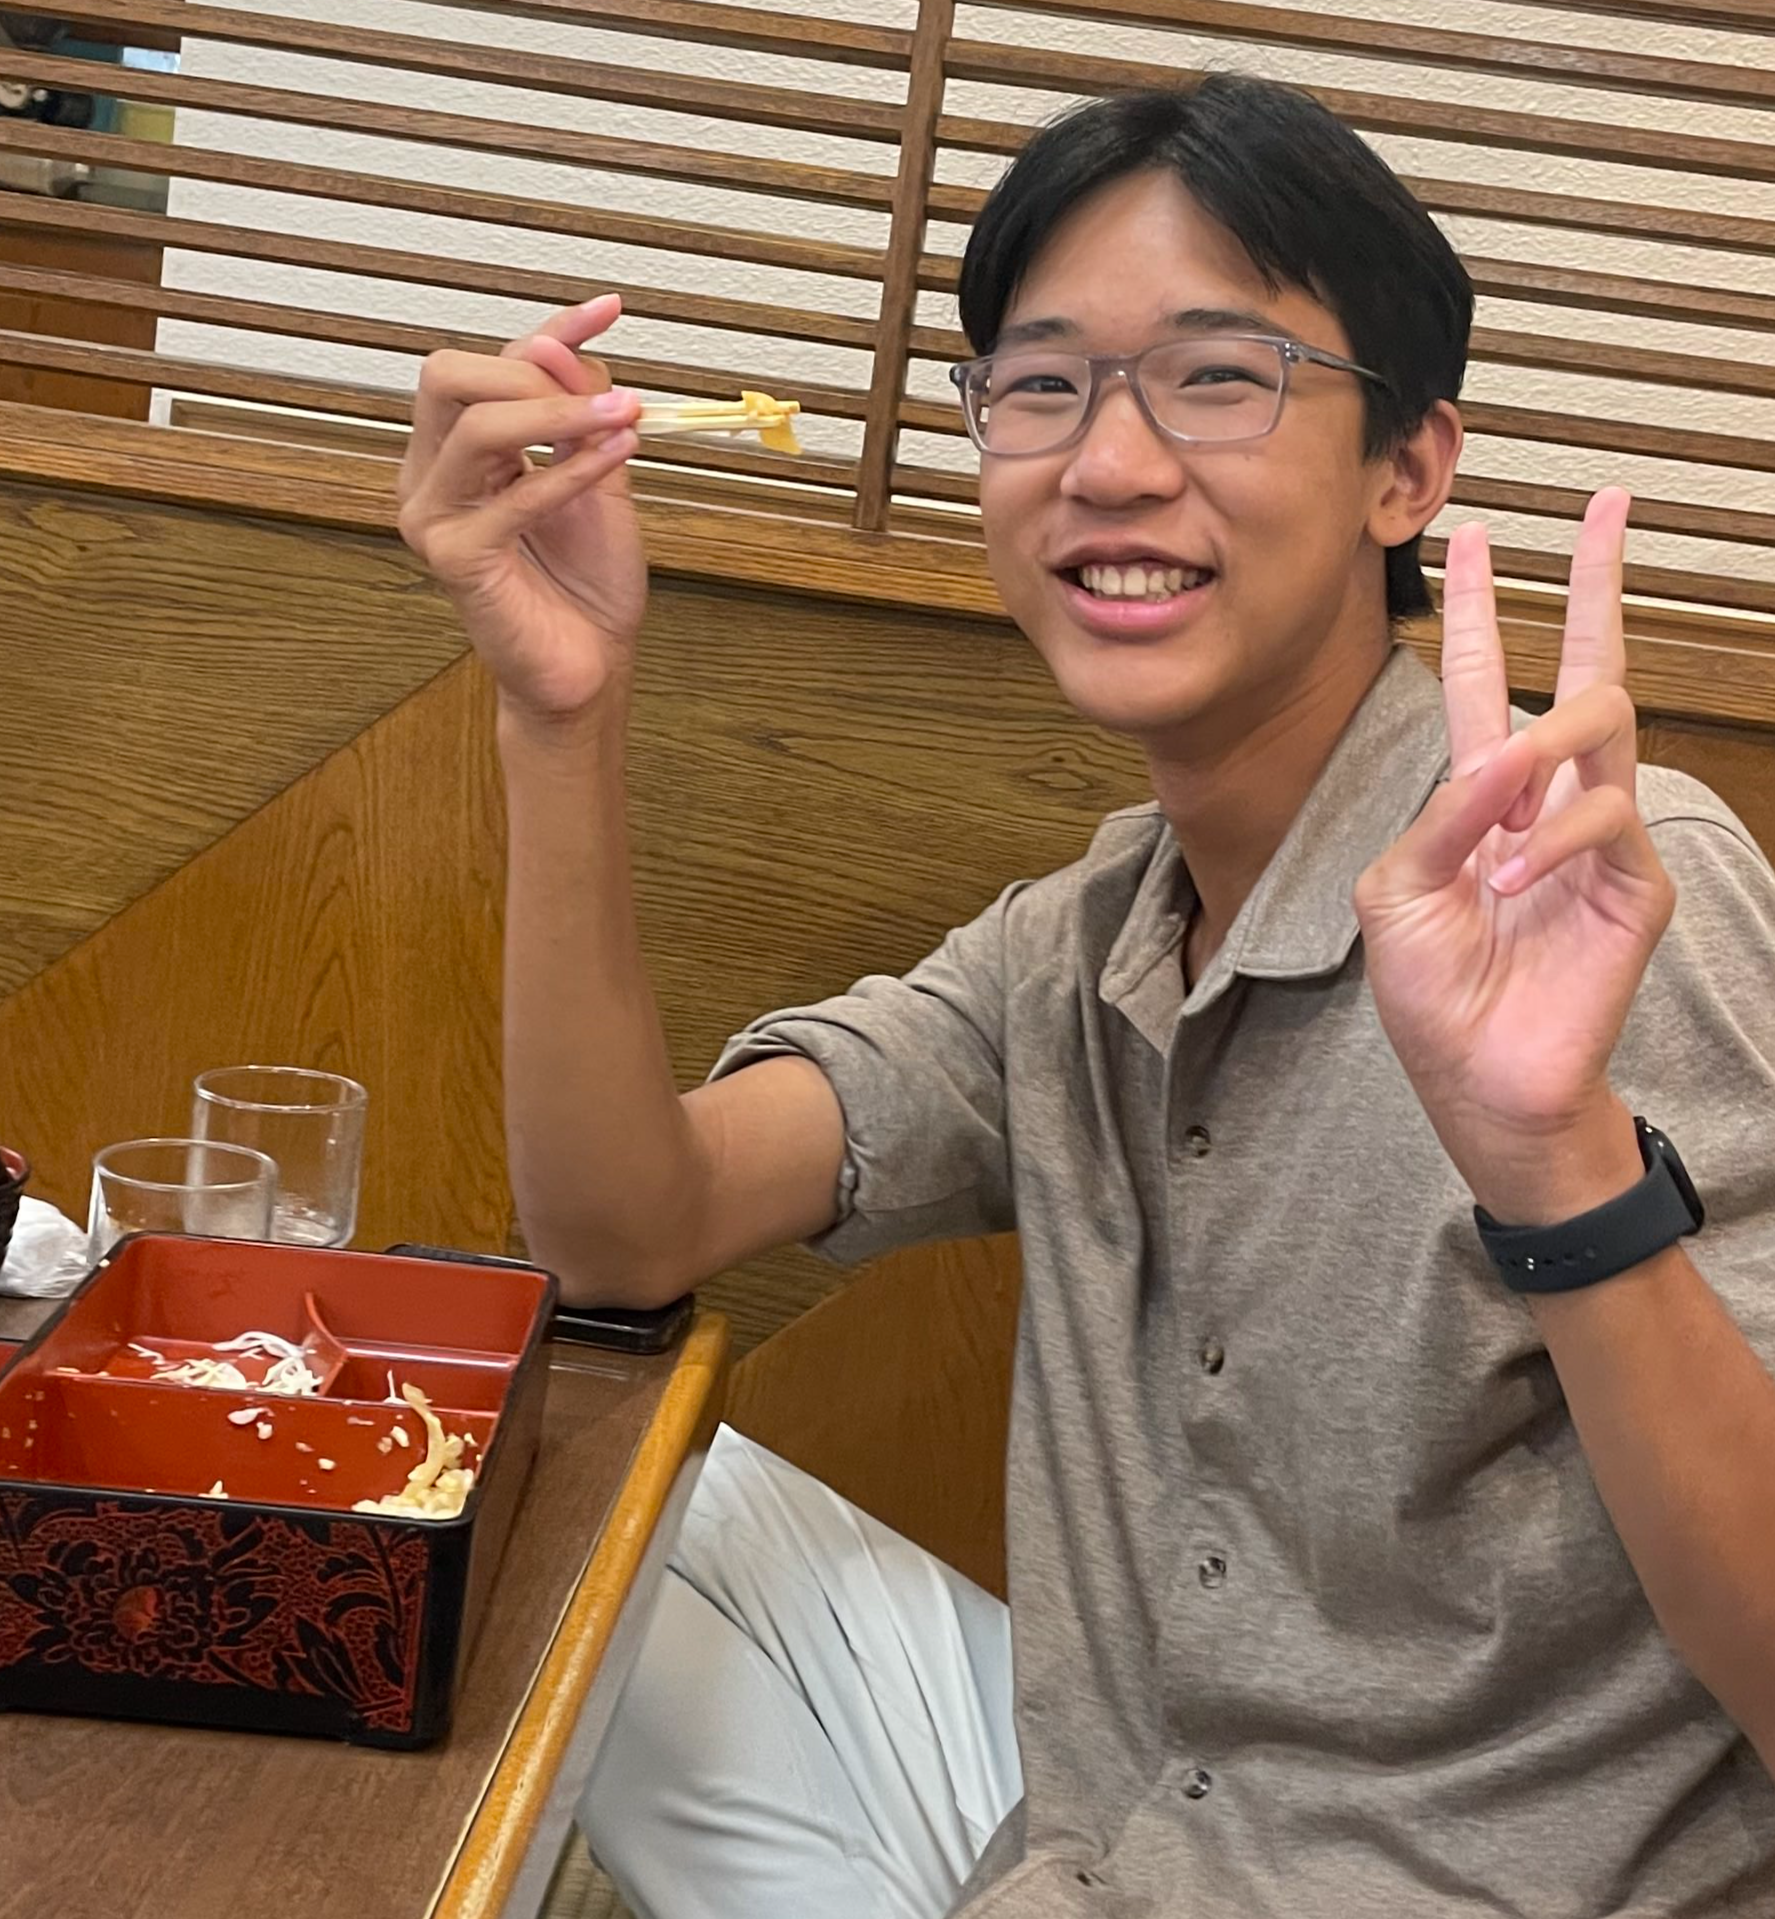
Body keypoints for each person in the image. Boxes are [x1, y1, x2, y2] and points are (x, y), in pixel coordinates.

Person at [396, 72, 1775, 1919]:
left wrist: (1557, 1161)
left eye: (1218, 376)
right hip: (1105, 1842)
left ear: (1407, 468)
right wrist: (557, 715)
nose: (1108, 463)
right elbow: (623, 1230)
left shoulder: (1594, 884)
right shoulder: (1091, 934)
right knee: (617, 1515)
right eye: (1040, 384)